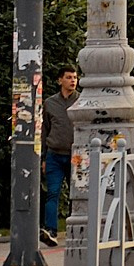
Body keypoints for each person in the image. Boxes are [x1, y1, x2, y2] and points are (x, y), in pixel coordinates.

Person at [41, 68, 79, 246]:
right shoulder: (50, 103)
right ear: (60, 80)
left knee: (77, 193)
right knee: (53, 193)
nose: (72, 81)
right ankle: (51, 230)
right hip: (54, 154)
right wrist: (43, 157)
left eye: (74, 77)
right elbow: (45, 130)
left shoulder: (81, 100)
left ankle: (76, 229)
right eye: (68, 78)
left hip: (76, 155)